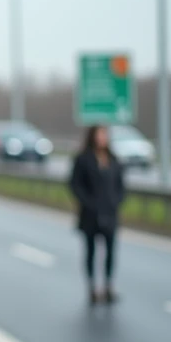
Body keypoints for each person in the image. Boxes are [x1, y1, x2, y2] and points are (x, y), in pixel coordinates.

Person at [68, 124, 126, 305]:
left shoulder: (114, 159)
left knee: (110, 251)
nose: (102, 138)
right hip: (90, 214)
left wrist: (116, 201)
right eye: (99, 134)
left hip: (110, 213)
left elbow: (121, 185)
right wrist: (88, 202)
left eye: (105, 135)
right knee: (91, 251)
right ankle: (92, 287)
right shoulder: (83, 159)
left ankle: (108, 285)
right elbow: (74, 184)